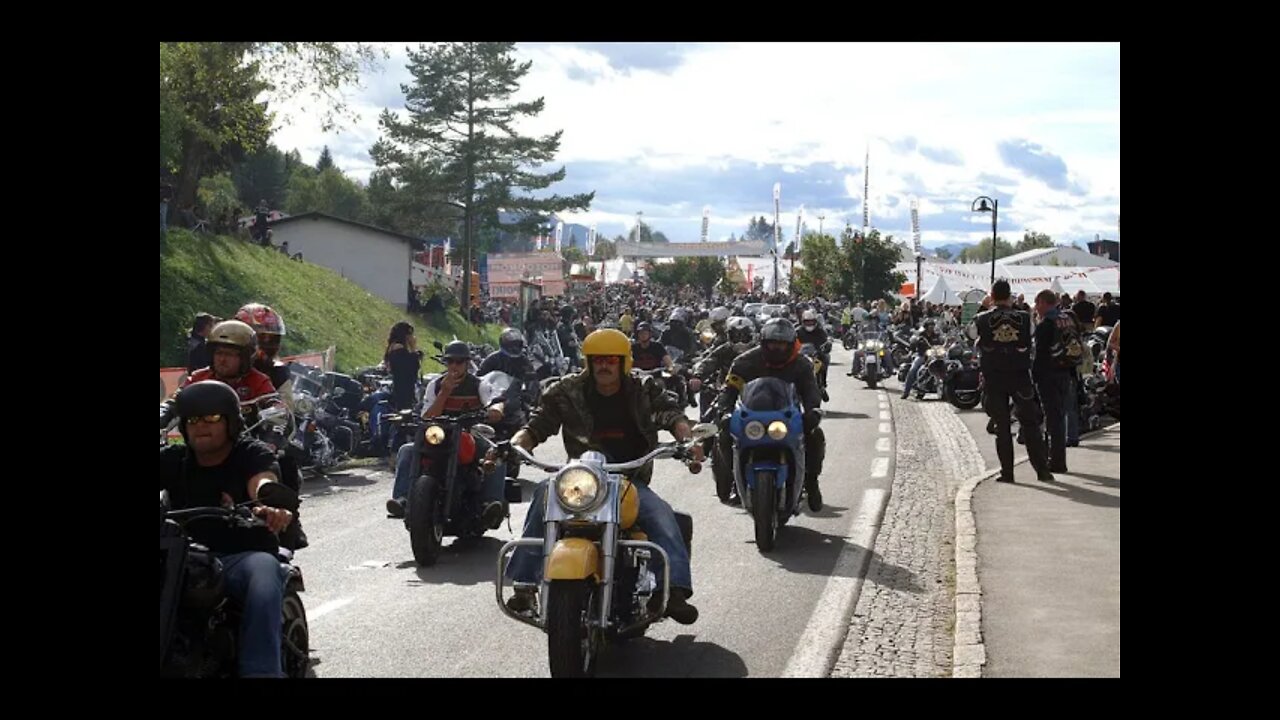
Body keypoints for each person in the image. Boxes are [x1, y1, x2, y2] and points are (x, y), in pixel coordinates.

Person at [504, 329, 703, 624]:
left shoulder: (643, 388)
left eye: (611, 359)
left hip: (626, 477)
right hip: (581, 477)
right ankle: (524, 585)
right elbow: (539, 423)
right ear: (588, 362)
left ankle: (672, 591)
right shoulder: (567, 390)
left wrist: (688, 441)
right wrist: (518, 443)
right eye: (597, 360)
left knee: (661, 514)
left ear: (623, 361)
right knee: (543, 495)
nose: (604, 366)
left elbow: (671, 414)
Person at [158, 380, 297, 677]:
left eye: (211, 418)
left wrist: (267, 499)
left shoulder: (250, 453)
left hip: (240, 555)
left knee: (263, 571)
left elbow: (261, 479)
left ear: (231, 422)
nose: (200, 426)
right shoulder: (173, 460)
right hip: (183, 557)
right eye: (193, 419)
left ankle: (261, 672)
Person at [712, 318, 826, 510]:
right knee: (724, 434)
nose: (777, 349)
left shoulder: (802, 364)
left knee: (815, 434)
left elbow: (810, 391)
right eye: (772, 344)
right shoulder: (744, 361)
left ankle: (811, 481)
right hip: (752, 415)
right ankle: (734, 479)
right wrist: (724, 412)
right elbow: (729, 389)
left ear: (791, 345)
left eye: (782, 345)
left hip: (788, 415)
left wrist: (813, 411)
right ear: (763, 343)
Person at [385, 342, 506, 523]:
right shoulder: (435, 385)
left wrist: (496, 409)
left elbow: (495, 400)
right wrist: (445, 392)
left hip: (469, 432)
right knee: (407, 451)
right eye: (450, 362)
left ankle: (489, 504)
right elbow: (427, 416)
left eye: (459, 362)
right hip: (437, 434)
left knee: (497, 455)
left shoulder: (479, 385)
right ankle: (403, 500)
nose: (454, 366)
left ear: (467, 363)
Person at [974, 281, 1053, 484]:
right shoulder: (1026, 318)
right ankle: (1042, 471)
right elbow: (1031, 339)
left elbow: (972, 337)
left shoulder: (982, 318)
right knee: (1030, 423)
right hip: (1019, 375)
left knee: (1002, 426)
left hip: (994, 376)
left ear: (992, 295)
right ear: (1009, 296)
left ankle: (1007, 473)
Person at [1033, 289, 1084, 473]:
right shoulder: (1068, 319)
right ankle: (1056, 458)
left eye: (1037, 303)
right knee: (1060, 416)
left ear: (1044, 303)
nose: (1036, 308)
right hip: (1067, 372)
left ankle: (1057, 462)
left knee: (1053, 419)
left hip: (1049, 375)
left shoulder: (1045, 324)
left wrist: (1034, 378)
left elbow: (1040, 355)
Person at [901, 319, 942, 400]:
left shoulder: (936, 335)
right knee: (913, 370)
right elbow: (914, 341)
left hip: (935, 356)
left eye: (933, 325)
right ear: (926, 327)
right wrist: (916, 340)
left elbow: (941, 342)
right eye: (930, 325)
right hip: (922, 355)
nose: (932, 327)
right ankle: (906, 392)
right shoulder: (921, 335)